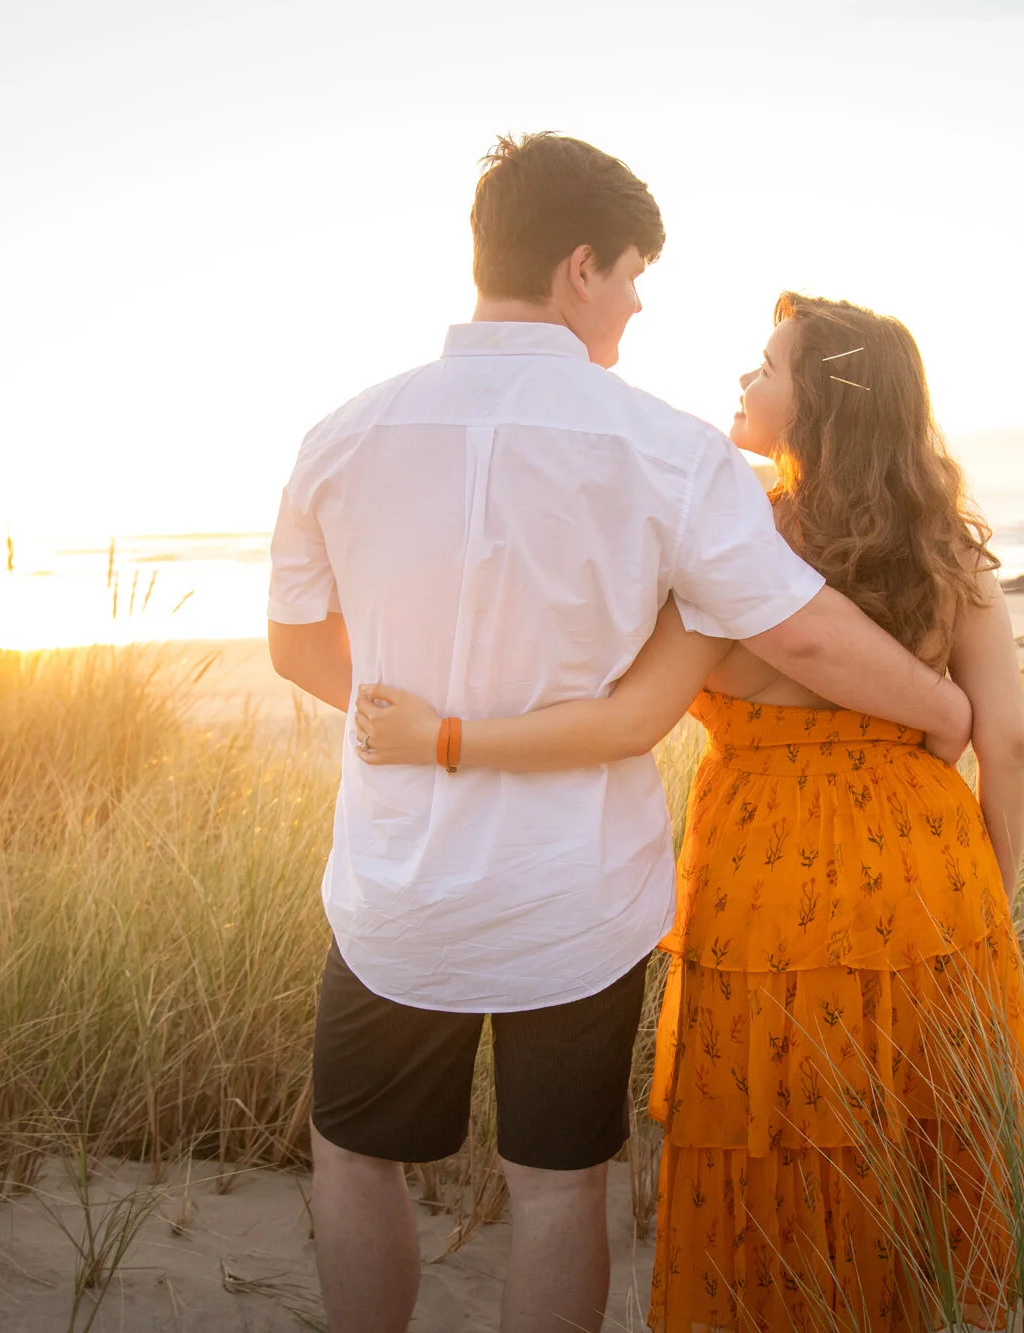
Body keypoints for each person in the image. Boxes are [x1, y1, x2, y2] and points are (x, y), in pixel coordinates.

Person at [266, 136, 973, 1333]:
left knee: (355, 1158)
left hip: (396, 889)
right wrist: (941, 706)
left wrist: (432, 731)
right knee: (555, 1187)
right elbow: (796, 633)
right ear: (579, 268)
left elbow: (295, 648)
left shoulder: (341, 435)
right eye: (635, 274)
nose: (640, 302)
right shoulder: (663, 448)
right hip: (572, 898)